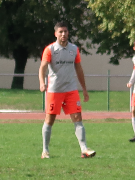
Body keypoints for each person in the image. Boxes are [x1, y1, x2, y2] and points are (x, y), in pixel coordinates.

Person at [38, 21, 96, 159]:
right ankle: (45, 151)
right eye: (60, 32)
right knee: (49, 120)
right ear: (56, 34)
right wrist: (42, 82)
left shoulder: (74, 49)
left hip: (71, 90)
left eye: (65, 31)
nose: (63, 34)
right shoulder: (50, 49)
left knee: (77, 118)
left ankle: (84, 149)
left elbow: (79, 69)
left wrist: (84, 89)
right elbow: (43, 67)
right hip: (54, 90)